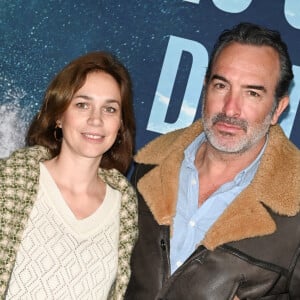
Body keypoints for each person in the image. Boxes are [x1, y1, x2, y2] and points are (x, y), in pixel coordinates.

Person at [125, 22, 300, 299]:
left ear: (278, 108)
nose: (230, 108)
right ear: (206, 88)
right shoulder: (148, 168)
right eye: (221, 86)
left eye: (252, 93)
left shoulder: (295, 210)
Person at [0, 51, 138, 300]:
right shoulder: (10, 184)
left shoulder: (124, 209)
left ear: (120, 126)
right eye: (82, 105)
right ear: (59, 116)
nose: (95, 120)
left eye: (109, 109)